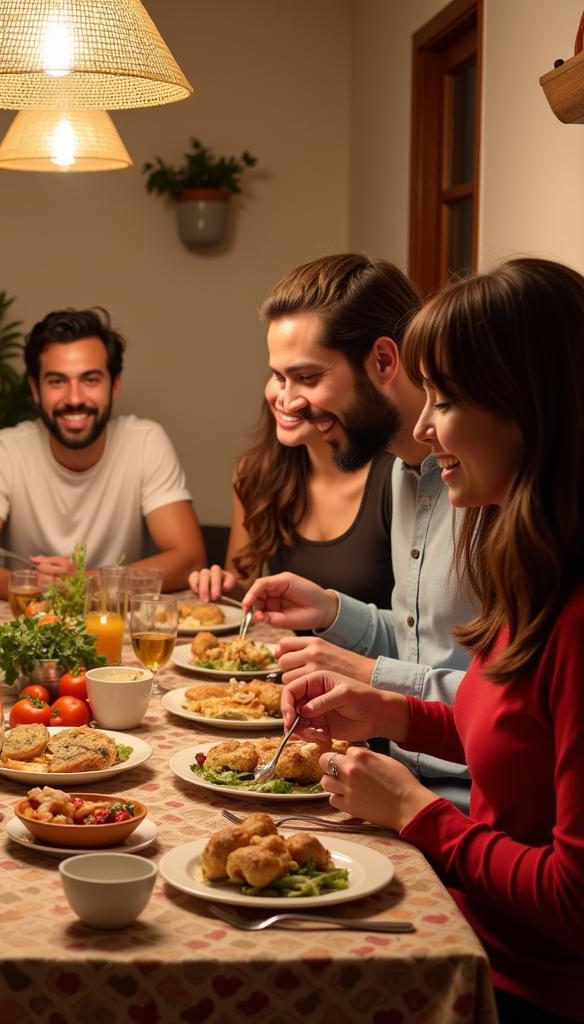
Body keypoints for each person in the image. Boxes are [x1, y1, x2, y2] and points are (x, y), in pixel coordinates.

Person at [280, 257, 584, 1023]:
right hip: (470, 922)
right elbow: (508, 730)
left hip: (513, 984)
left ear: (524, 408)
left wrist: (418, 814)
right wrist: (391, 717)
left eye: (443, 401)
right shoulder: (532, 569)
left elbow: (574, 901)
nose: (420, 426)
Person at [232, 253, 474, 806]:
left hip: (462, 799)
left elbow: (517, 701)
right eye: (281, 378)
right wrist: (334, 613)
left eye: (309, 377)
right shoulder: (400, 474)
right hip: (399, 779)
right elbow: (431, 644)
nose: (288, 403)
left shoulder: (479, 482)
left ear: (384, 360)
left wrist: (368, 671)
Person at [0, 307, 206, 599]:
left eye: (90, 380)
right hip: (30, 624)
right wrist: (36, 588)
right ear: (35, 389)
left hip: (115, 626)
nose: (75, 398)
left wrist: (81, 582)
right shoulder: (4, 450)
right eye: (57, 381)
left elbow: (188, 559)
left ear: (114, 385)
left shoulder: (145, 442)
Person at [189, 312, 395, 607]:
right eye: (278, 377)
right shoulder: (255, 474)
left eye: (306, 378)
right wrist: (224, 587)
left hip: (368, 654)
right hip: (282, 651)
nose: (284, 398)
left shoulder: (393, 475)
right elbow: (245, 586)